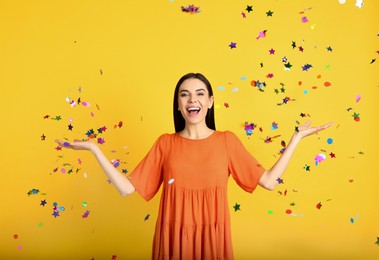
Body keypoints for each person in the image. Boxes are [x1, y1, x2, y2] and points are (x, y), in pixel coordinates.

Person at [56, 72, 334, 260]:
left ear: (210, 102)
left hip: (213, 242)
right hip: (172, 241)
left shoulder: (227, 142)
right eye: (185, 95)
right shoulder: (165, 143)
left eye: (200, 94)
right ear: (178, 105)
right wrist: (95, 149)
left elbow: (270, 181)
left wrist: (296, 138)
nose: (193, 100)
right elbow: (127, 188)